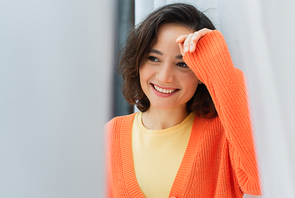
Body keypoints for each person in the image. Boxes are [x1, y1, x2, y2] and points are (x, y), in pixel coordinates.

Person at [106, 3, 261, 198]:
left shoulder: (223, 136)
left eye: (182, 64)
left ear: (199, 73)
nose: (165, 77)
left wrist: (217, 61)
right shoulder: (110, 136)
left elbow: (257, 181)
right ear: (138, 62)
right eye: (154, 58)